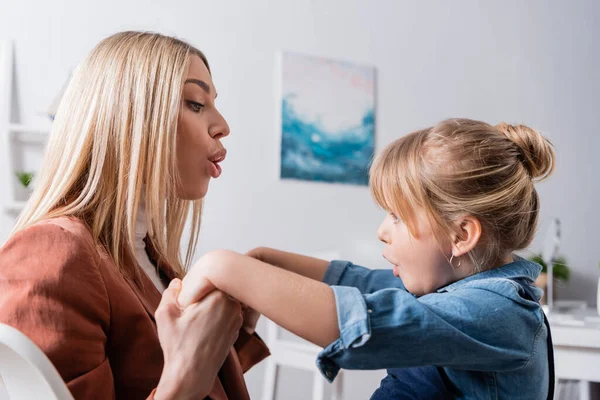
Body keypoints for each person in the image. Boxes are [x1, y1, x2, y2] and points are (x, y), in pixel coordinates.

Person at [179, 118, 556, 399]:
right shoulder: (453, 288)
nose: (382, 230)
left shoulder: (497, 314)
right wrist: (268, 261)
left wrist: (226, 267)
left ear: (461, 235)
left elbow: (366, 323)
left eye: (396, 216)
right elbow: (360, 282)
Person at [0, 31, 269, 400]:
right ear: (128, 118)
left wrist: (235, 326)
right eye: (195, 103)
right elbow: (179, 376)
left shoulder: (144, 252)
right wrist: (185, 378)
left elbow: (150, 369)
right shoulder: (53, 251)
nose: (222, 125)